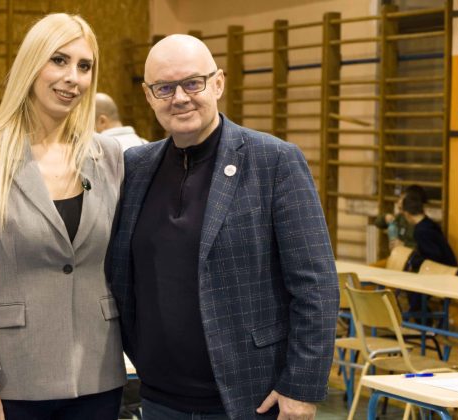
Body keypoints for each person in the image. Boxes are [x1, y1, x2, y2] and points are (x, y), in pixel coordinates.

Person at [109, 34, 339, 420]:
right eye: (164, 88)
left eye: (192, 83)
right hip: (159, 399)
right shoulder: (135, 167)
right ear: (149, 96)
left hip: (251, 398)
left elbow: (316, 286)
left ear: (218, 83)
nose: (179, 98)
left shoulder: (274, 162)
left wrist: (301, 386)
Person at [0, 13, 125, 420]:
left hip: (99, 376)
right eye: (59, 60)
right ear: (31, 63)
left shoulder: (108, 155)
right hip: (11, 379)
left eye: (84, 66)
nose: (72, 78)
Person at [402, 193, 458, 314]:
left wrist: (414, 262)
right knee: (412, 292)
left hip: (444, 272)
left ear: (406, 214)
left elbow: (434, 256)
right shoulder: (427, 223)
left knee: (414, 295)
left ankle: (424, 323)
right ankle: (424, 321)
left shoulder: (421, 231)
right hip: (446, 269)